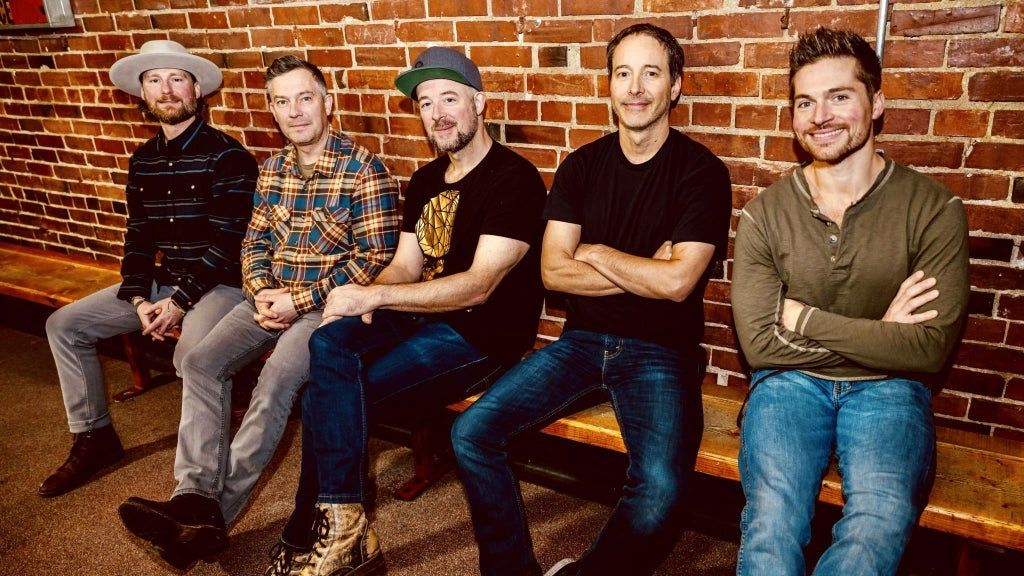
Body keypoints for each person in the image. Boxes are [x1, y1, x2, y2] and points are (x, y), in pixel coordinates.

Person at [451, 23, 732, 576]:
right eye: (623, 73)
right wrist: (644, 266)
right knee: (471, 433)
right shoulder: (581, 166)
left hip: (661, 349)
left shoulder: (701, 172)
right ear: (609, 84)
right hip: (580, 342)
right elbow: (554, 272)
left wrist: (597, 252)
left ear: (675, 85)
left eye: (651, 73)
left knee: (661, 489)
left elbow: (678, 285)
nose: (635, 88)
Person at [263, 47, 548, 576]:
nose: (437, 114)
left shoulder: (515, 179)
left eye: (449, 99)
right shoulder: (425, 181)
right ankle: (343, 524)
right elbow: (404, 268)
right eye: (425, 103)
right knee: (327, 341)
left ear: (478, 103)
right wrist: (359, 295)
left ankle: (315, 532)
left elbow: (479, 287)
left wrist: (374, 298)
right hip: (424, 318)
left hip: (481, 336)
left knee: (335, 395)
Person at [116, 56, 401, 570]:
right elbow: (253, 243)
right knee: (200, 363)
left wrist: (299, 302)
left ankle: (214, 516)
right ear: (272, 110)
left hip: (325, 308)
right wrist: (263, 290)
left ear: (328, 103)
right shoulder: (271, 170)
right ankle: (194, 496)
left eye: (305, 98)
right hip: (265, 298)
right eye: (282, 102)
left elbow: (374, 256)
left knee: (273, 384)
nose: (296, 111)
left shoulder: (364, 169)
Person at [730, 27, 970, 575]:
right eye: (805, 102)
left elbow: (927, 351)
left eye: (839, 96)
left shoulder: (933, 209)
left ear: (876, 103)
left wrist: (803, 317)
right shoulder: (766, 213)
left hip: (891, 390)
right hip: (787, 384)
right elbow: (761, 346)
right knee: (771, 520)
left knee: (877, 522)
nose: (821, 117)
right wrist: (884, 334)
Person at [39, 40, 258, 498]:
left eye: (177, 78)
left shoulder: (229, 156)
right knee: (64, 325)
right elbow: (137, 237)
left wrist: (178, 304)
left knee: (190, 357)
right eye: (154, 80)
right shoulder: (143, 160)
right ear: (142, 93)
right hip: (164, 283)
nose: (166, 89)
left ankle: (197, 486)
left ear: (197, 89)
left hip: (221, 286)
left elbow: (228, 243)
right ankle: (95, 437)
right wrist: (139, 299)